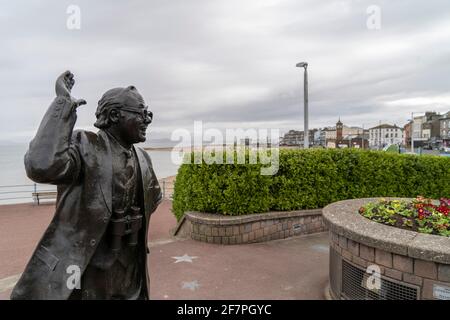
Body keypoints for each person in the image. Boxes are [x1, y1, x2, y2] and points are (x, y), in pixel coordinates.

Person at [11, 71, 162, 300]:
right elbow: (41, 166)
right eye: (141, 113)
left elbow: (154, 200)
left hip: (130, 276)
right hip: (83, 274)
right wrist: (62, 103)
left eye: (148, 113)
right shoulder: (85, 145)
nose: (148, 120)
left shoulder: (143, 158)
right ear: (114, 115)